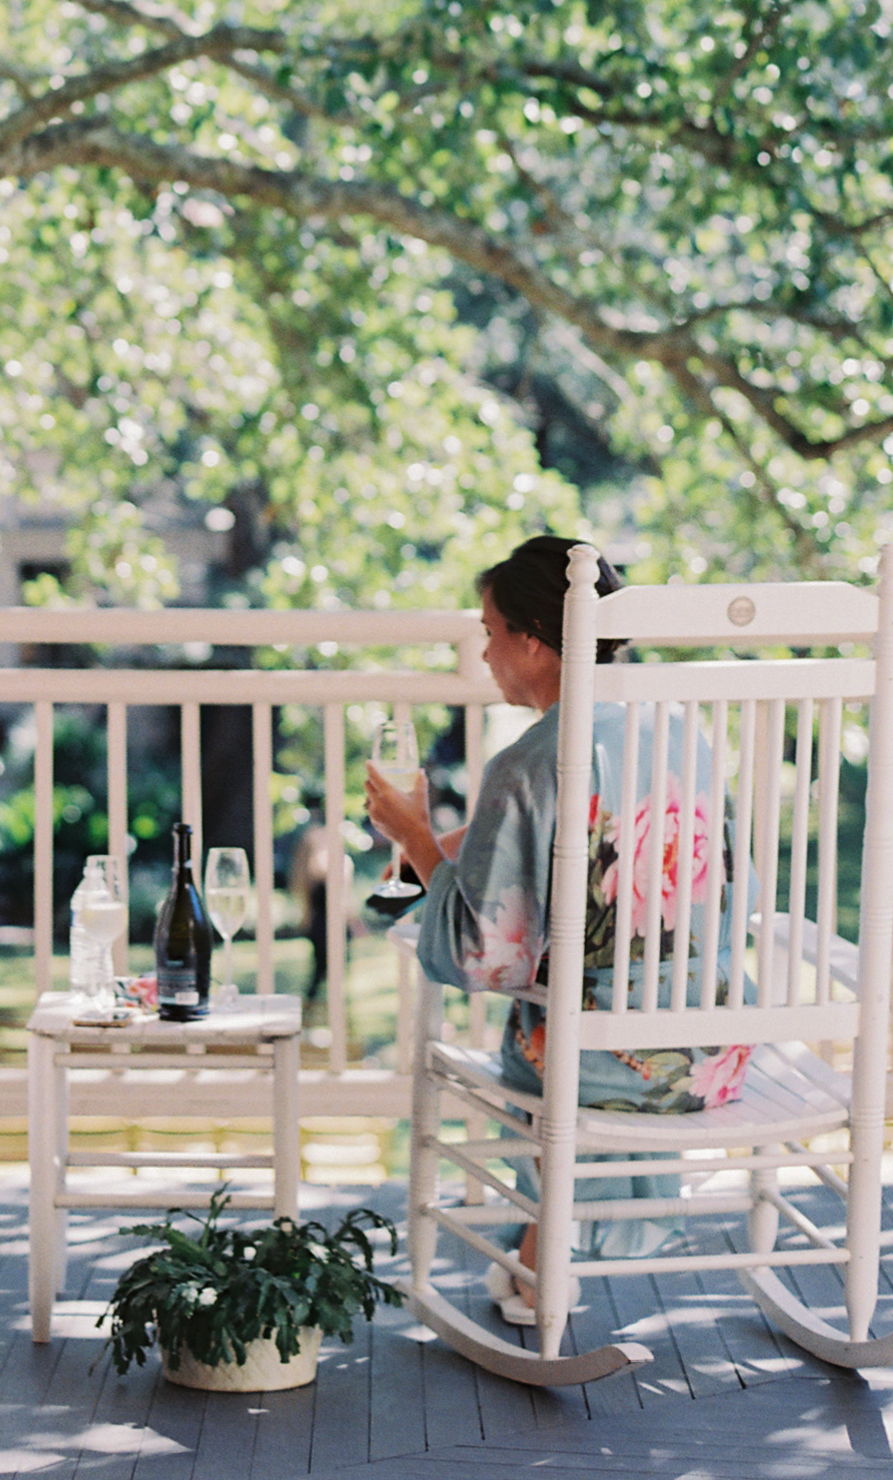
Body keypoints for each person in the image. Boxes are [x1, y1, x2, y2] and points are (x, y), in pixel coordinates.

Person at [364, 534, 751, 1325]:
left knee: (537, 1025)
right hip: (713, 1045)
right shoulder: (684, 731)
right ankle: (544, 1258)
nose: (484, 649)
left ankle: (542, 1261)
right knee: (583, 996)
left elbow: (486, 955)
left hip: (603, 1063)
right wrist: (446, 848)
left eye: (489, 630)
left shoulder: (528, 760)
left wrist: (411, 841)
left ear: (534, 640)